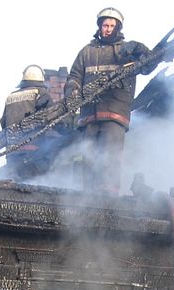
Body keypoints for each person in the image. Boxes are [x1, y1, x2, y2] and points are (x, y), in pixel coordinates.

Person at [63, 7, 156, 194]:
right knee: (88, 155)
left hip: (115, 112)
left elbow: (149, 64)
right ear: (99, 26)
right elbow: (74, 76)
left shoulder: (127, 51)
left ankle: (109, 195)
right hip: (89, 114)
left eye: (112, 26)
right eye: (105, 25)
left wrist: (140, 48)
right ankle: (87, 195)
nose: (108, 29)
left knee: (111, 154)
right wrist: (72, 91)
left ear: (118, 27)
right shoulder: (86, 52)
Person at [0, 64, 53, 179]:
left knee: (14, 183)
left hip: (12, 152)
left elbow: (3, 123)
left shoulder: (10, 96)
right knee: (37, 183)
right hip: (34, 151)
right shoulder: (41, 93)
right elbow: (52, 116)